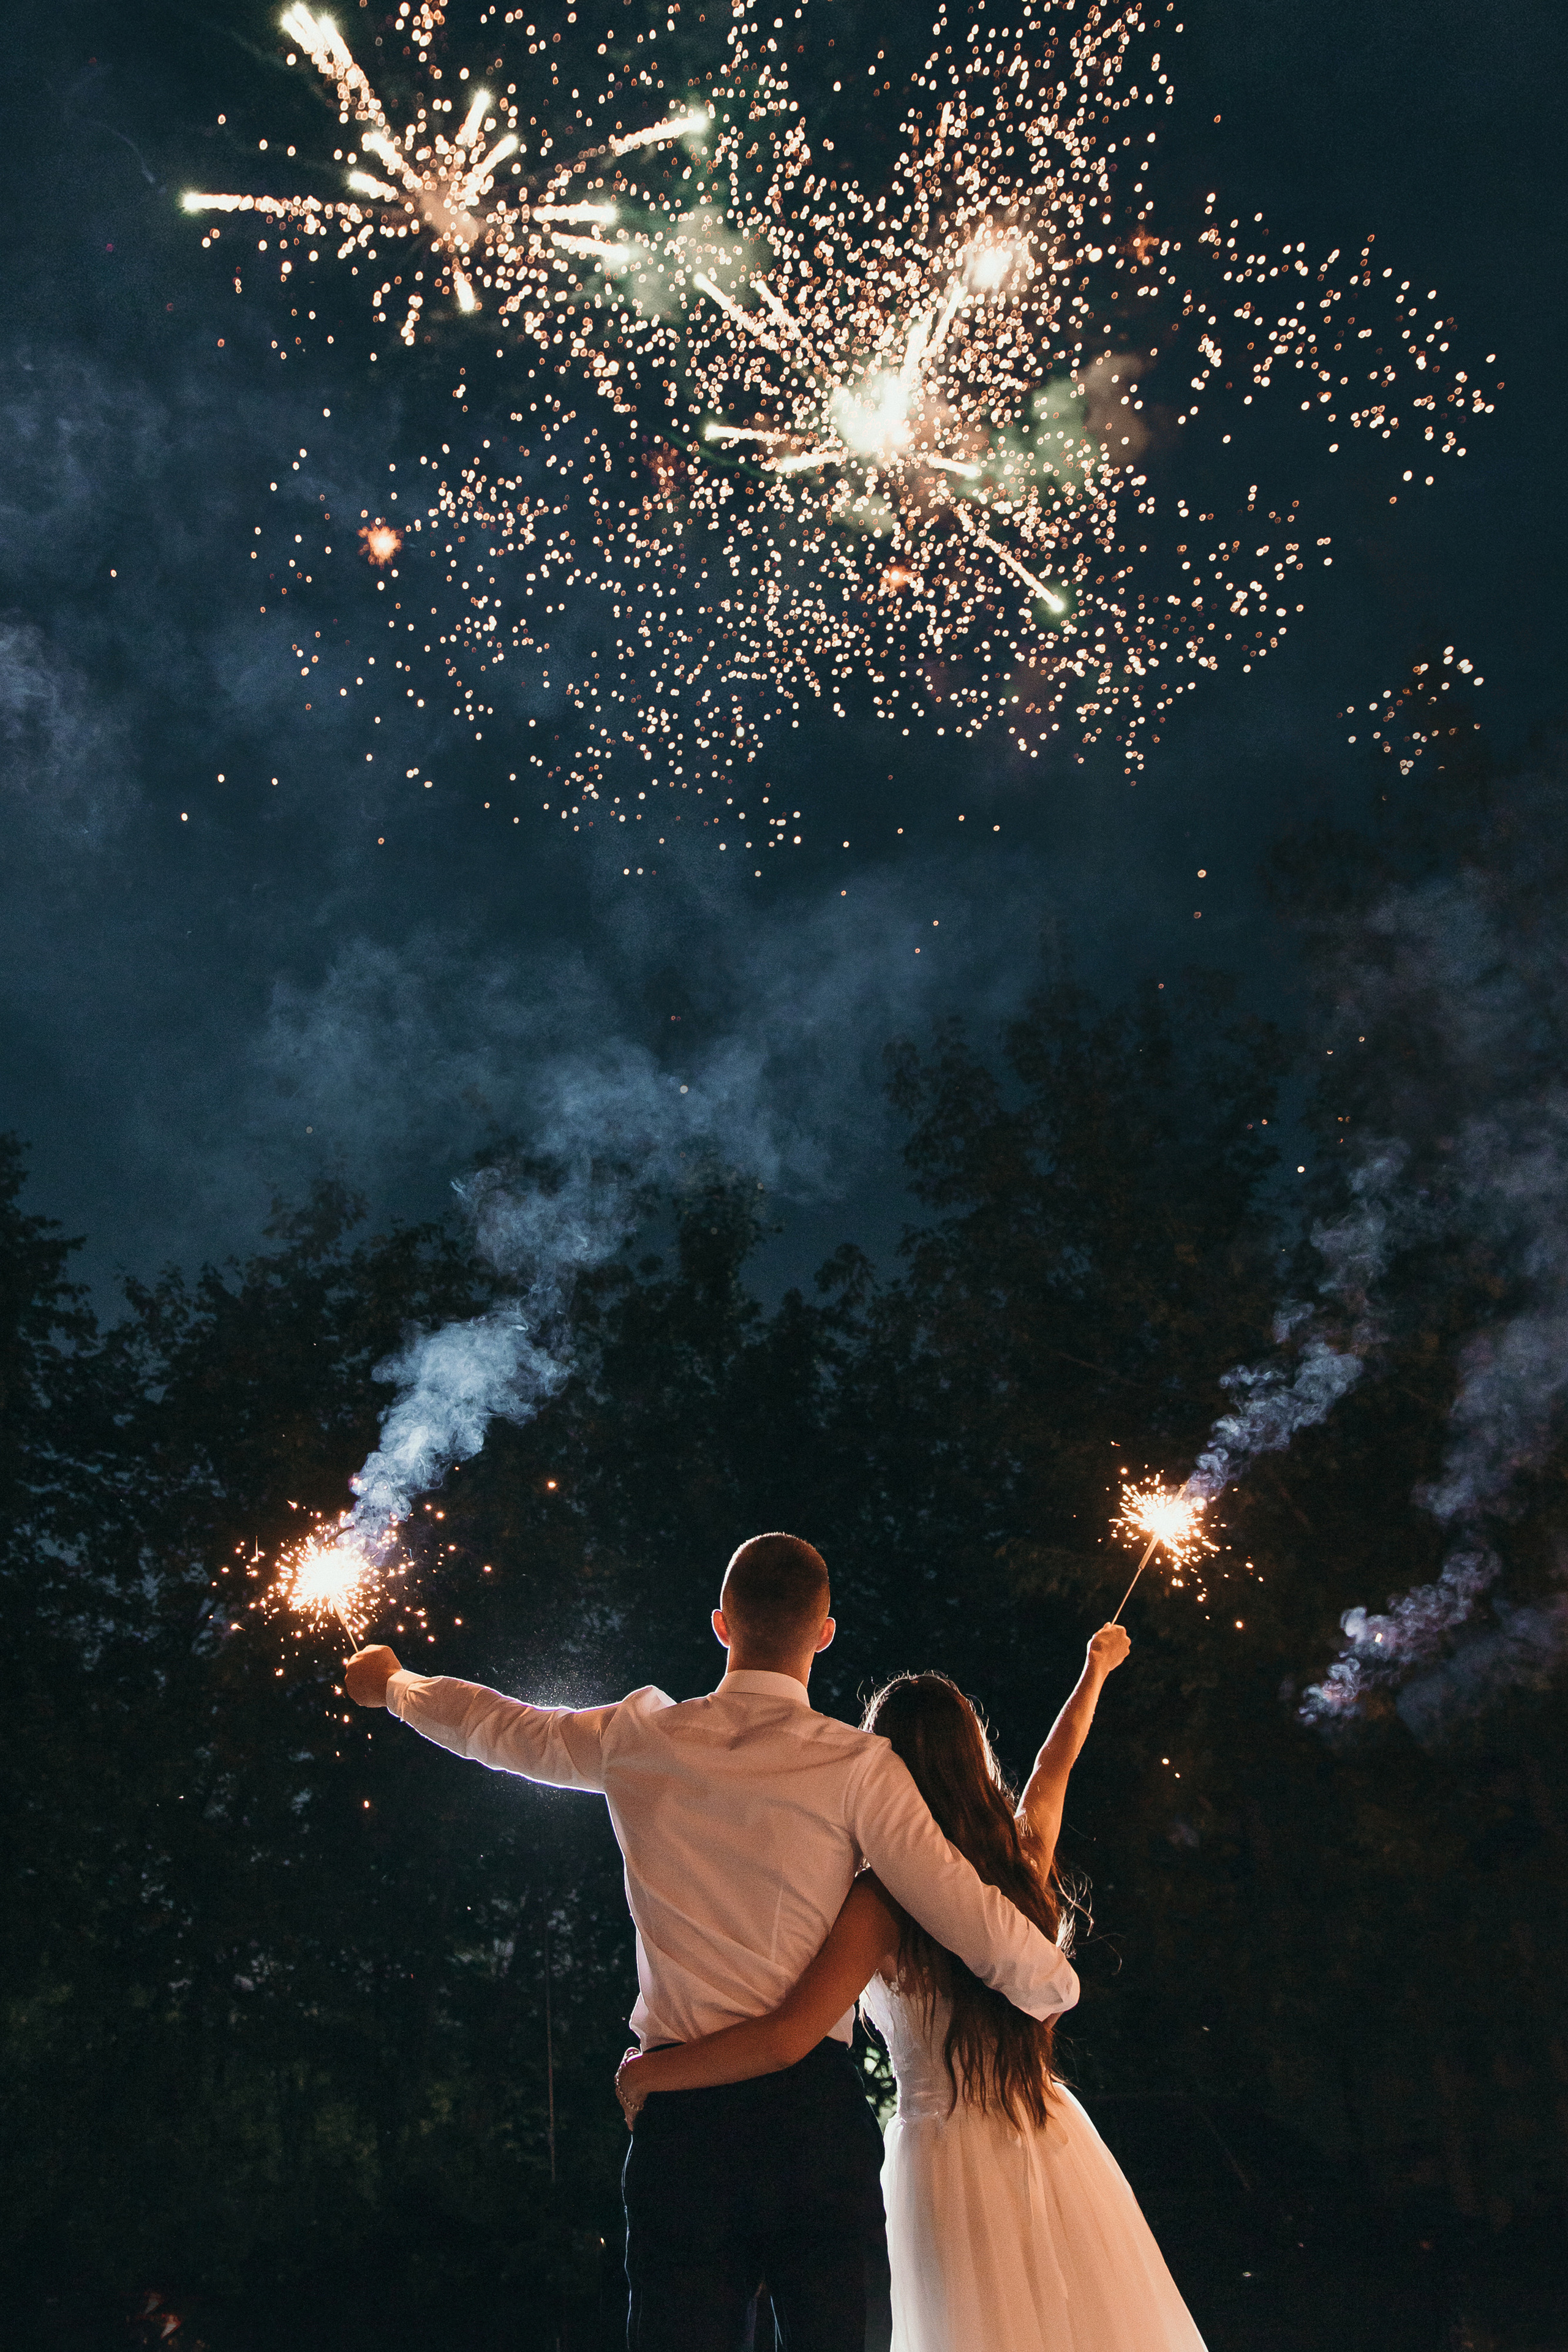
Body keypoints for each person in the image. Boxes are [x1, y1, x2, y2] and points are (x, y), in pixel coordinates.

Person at [344, 1532, 1079, 2351]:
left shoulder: (639, 1737)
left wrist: (396, 1684)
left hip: (686, 2122)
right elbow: (963, 1910)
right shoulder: (861, 1767)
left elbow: (496, 1727)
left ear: (722, 1625)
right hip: (812, 2124)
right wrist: (1052, 1987)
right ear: (824, 1634)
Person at [616, 1624, 1209, 2352]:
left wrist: (652, 2072)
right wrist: (1094, 1672)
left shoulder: (879, 1903)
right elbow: (1058, 1763)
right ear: (972, 1757)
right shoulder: (1017, 1863)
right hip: (1047, 2131)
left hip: (947, 2156)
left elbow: (786, 2035)